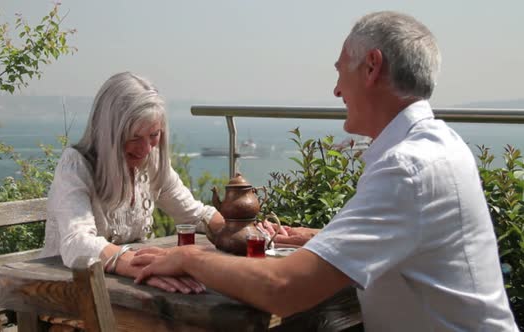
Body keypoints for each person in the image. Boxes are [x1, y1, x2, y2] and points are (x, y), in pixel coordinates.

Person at [131, 11, 518, 330]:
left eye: (340, 71)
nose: (336, 90)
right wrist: (320, 239)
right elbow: (413, 239)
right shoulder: (441, 145)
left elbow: (283, 289)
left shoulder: (407, 169)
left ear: (371, 67)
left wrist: (189, 259)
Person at [40, 72, 226, 293]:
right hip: (64, 294)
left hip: (121, 289)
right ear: (109, 133)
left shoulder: (152, 161)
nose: (146, 149)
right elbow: (77, 243)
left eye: (154, 135)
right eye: (134, 137)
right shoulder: (75, 166)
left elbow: (194, 215)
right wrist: (140, 267)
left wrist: (247, 233)